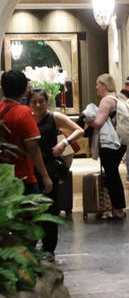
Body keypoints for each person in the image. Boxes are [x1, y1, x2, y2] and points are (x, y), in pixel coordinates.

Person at [27, 88, 83, 256]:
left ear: (47, 101)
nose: (38, 105)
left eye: (41, 101)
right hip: (30, 168)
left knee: (50, 207)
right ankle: (31, 246)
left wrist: (64, 143)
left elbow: (79, 130)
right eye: (34, 102)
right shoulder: (27, 118)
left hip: (50, 166)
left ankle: (49, 247)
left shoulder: (53, 117)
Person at [0, 70, 52, 195]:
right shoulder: (23, 112)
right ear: (25, 90)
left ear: (2, 88)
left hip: (3, 175)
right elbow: (33, 148)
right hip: (22, 175)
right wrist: (45, 176)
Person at [88, 73, 127, 220]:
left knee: (112, 176)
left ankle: (116, 209)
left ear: (104, 85)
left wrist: (87, 119)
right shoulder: (119, 97)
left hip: (110, 143)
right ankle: (116, 207)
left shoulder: (106, 100)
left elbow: (98, 123)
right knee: (113, 174)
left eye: (97, 84)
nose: (96, 87)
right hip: (121, 142)